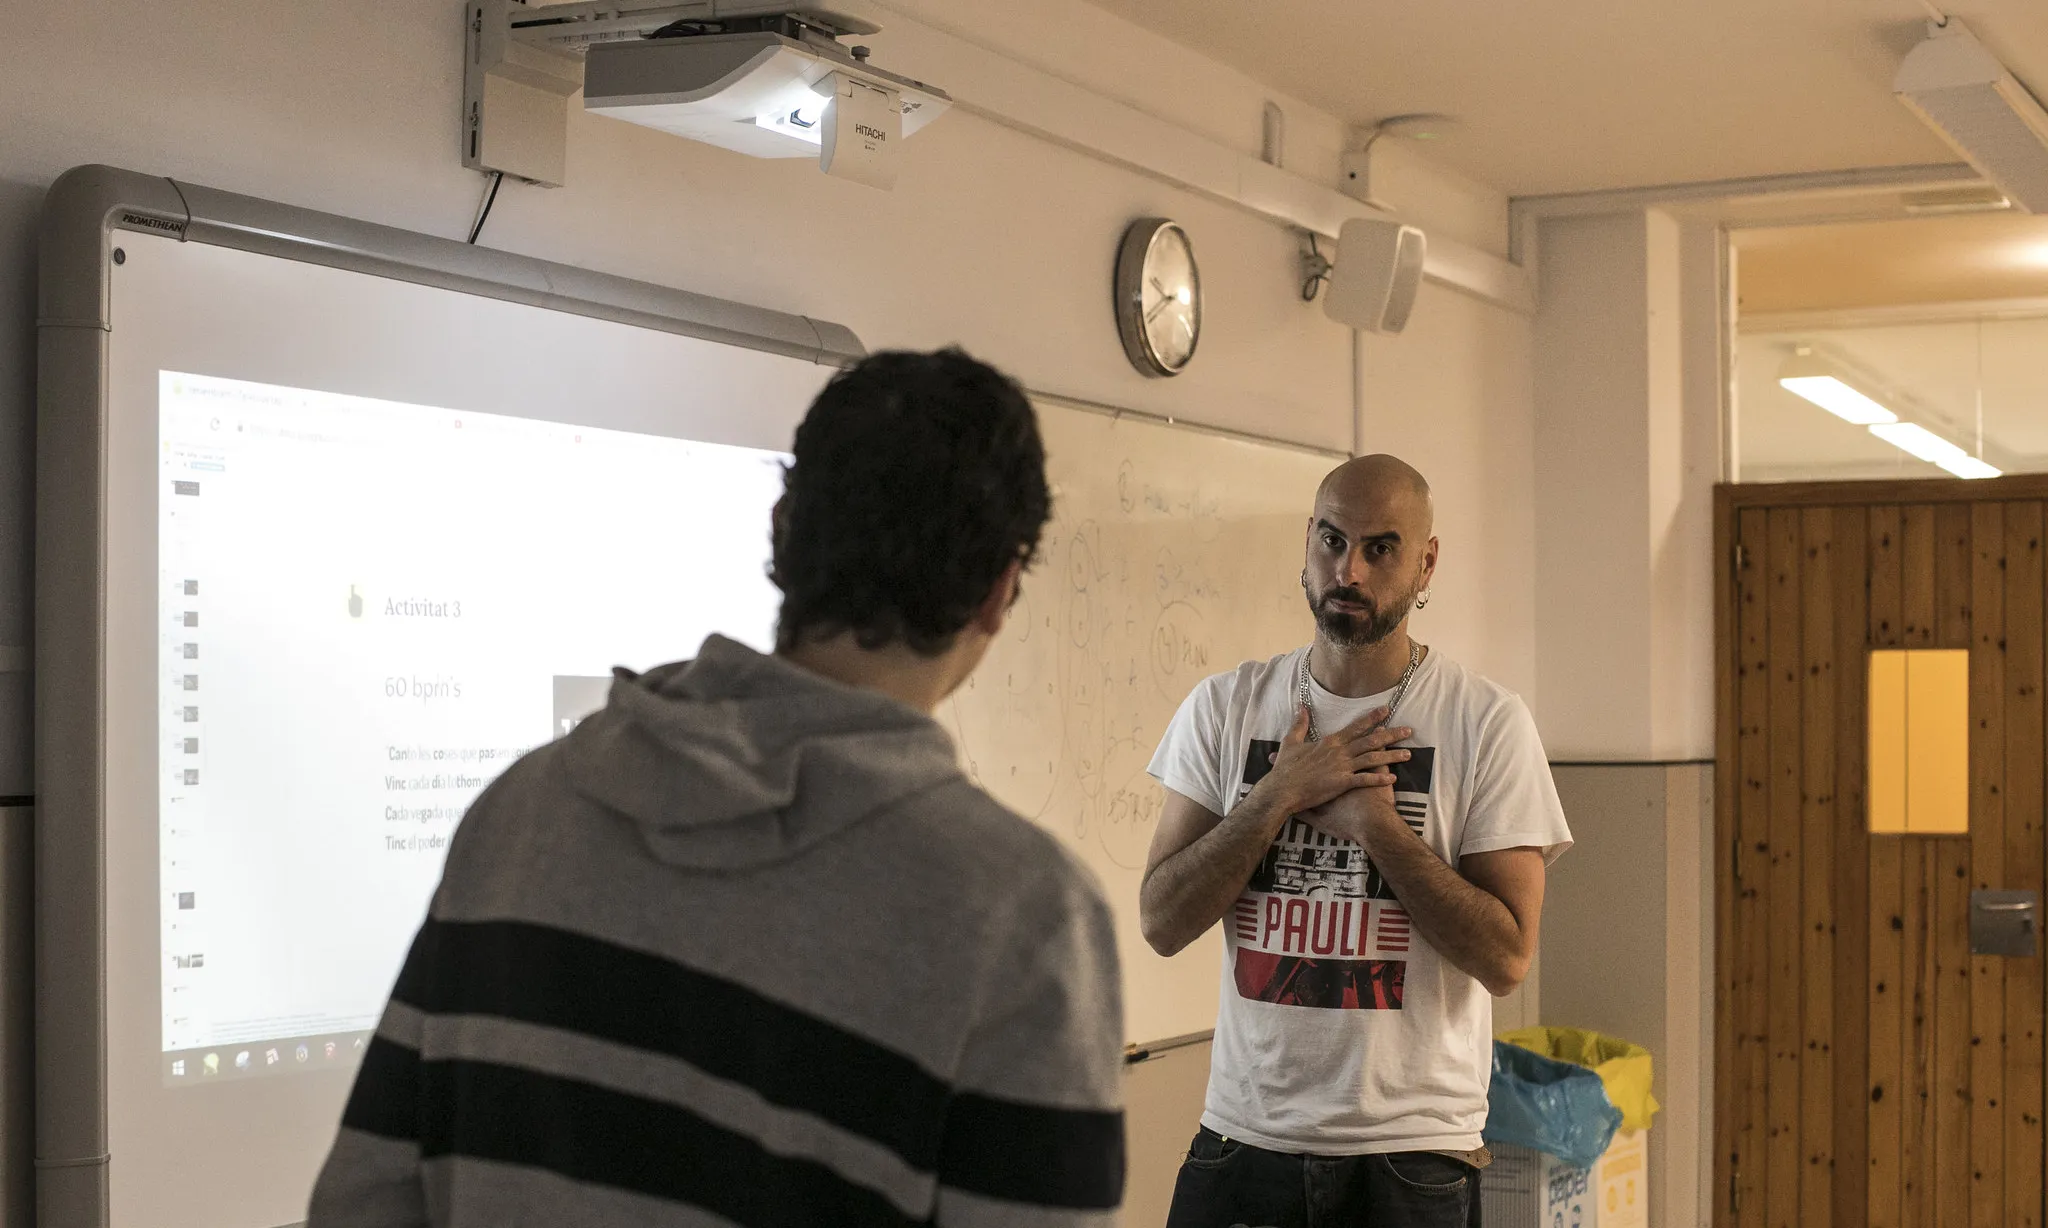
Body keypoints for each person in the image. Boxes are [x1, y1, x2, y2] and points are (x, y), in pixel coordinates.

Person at [309, 349, 1126, 1228]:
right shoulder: (1028, 920)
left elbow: (363, 1202)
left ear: (781, 528)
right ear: (1001, 592)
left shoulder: (517, 814)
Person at [1140, 454, 1572, 1228]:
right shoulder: (1224, 707)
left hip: (1412, 1154)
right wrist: (1276, 797)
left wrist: (1377, 827)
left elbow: (1506, 957)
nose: (1351, 569)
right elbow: (1161, 920)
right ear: (1308, 540)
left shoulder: (1487, 724)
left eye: (1381, 548)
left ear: (1426, 561)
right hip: (1246, 1136)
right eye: (1333, 541)